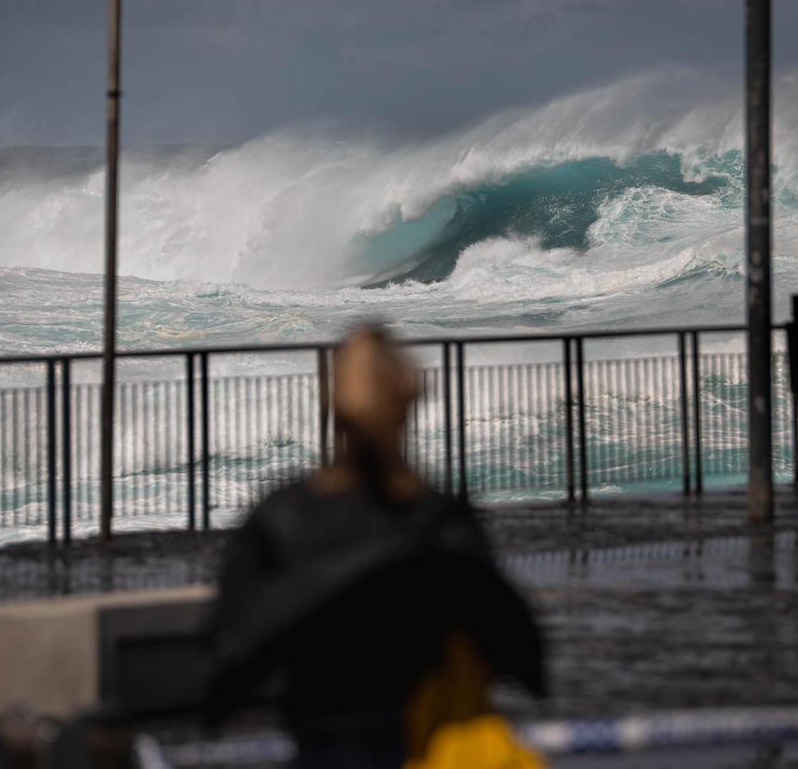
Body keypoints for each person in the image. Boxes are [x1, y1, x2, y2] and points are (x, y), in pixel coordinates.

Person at [205, 325, 546, 768]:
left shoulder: (283, 515)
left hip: (321, 742)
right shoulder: (440, 519)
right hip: (423, 744)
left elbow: (227, 657)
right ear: (410, 402)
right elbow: (513, 652)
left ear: (331, 405)